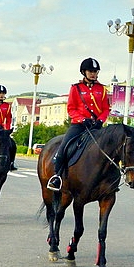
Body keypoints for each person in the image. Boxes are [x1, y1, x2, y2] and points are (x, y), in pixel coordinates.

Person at [46, 58, 111, 191]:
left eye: (95, 71)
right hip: (79, 125)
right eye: (90, 71)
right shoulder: (76, 88)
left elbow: (106, 109)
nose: (93, 74)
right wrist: (82, 119)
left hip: (96, 127)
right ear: (84, 72)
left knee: (110, 148)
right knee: (64, 147)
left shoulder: (102, 89)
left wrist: (100, 120)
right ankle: (56, 177)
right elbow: (71, 108)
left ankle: (109, 179)